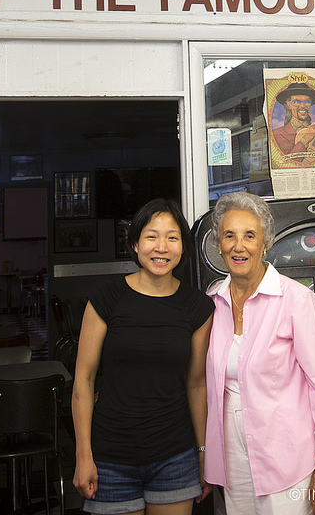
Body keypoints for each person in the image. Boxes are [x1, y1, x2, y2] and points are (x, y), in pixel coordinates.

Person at [204, 192, 315, 515]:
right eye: (230, 235)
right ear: (218, 243)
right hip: (231, 460)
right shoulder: (212, 303)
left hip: (287, 459)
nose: (238, 246)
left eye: (249, 236)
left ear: (265, 243)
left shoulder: (296, 300)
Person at [72, 198, 214, 515]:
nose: (161, 247)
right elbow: (83, 379)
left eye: (172, 237)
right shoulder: (105, 298)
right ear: (135, 244)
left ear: (183, 247)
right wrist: (84, 455)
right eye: (151, 236)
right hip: (110, 456)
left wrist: (204, 453)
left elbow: (197, 384)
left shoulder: (199, 307)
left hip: (175, 457)